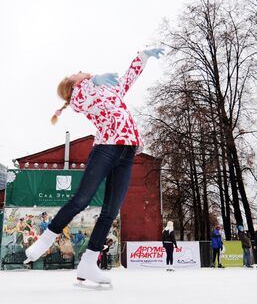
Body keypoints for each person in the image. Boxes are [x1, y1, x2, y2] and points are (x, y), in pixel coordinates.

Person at [23, 47, 164, 286]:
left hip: (127, 151)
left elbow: (129, 77)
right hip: (106, 149)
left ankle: (88, 264)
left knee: (111, 209)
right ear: (71, 84)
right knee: (82, 199)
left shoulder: (109, 88)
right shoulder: (78, 96)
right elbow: (81, 102)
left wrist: (143, 56)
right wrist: (94, 80)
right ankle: (46, 239)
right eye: (74, 73)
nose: (80, 71)